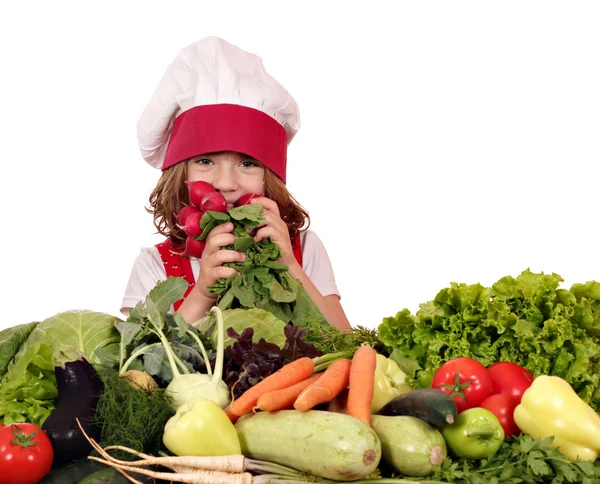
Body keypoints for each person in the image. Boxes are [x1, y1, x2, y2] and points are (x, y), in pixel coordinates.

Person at [121, 36, 351, 330]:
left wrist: (291, 268)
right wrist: (203, 292)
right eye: (205, 161)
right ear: (182, 174)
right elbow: (140, 367)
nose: (226, 183)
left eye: (248, 164)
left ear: (271, 179)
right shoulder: (155, 263)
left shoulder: (304, 249)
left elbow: (346, 344)